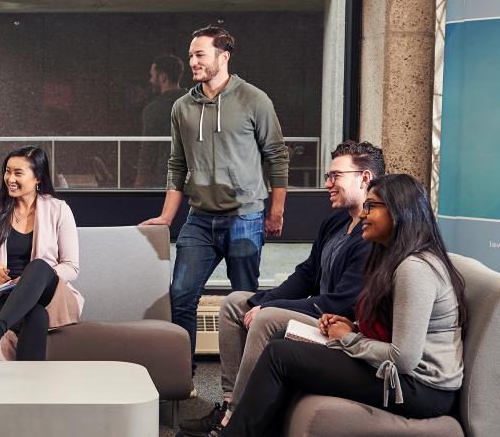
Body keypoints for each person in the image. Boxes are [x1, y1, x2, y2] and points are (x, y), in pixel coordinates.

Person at [189, 174, 467, 437]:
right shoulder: (391, 259)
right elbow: (391, 325)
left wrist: (347, 339)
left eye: (371, 206)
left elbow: (404, 358)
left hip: (420, 389)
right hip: (397, 376)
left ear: (398, 212)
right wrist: (352, 326)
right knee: (279, 340)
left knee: (280, 355)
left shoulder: (414, 268)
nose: (364, 214)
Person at [180, 141, 385, 434]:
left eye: (335, 176)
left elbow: (342, 303)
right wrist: (263, 299)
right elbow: (306, 274)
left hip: (337, 323)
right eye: (328, 176)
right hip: (318, 310)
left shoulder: (371, 234)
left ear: (364, 177)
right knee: (235, 303)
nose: (328, 184)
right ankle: (228, 402)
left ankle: (235, 419)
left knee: (265, 317)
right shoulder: (336, 222)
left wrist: (271, 307)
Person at [141, 26, 290, 375]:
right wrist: (166, 216)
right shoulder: (182, 107)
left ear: (223, 57)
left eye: (200, 55)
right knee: (180, 296)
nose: (192, 61)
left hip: (246, 218)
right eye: (191, 55)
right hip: (199, 219)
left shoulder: (254, 99)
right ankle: (182, 375)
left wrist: (277, 209)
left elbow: (277, 155)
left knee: (244, 303)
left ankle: (243, 379)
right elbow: (176, 164)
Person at [0, 146, 83, 361]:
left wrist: (31, 278)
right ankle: (31, 391)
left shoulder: (58, 209)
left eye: (18, 173)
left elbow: (71, 266)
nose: (10, 178)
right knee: (36, 316)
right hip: (7, 295)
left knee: (37, 267)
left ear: (37, 177)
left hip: (50, 292)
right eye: (7, 171)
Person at [134, 54, 187, 188]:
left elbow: (148, 153)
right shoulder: (198, 105)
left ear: (163, 77)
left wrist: (138, 187)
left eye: (152, 76)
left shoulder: (153, 110)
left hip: (164, 183)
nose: (150, 80)